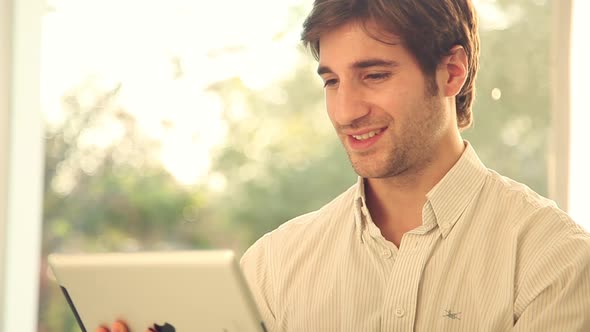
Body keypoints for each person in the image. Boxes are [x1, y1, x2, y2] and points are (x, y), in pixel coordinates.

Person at [98, 0, 590, 331]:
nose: (345, 110)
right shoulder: (273, 267)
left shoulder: (554, 261)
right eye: (331, 80)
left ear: (451, 71)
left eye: (373, 75)